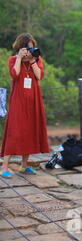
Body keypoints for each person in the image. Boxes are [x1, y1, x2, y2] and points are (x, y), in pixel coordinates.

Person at [1, 33, 49, 178]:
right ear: (21, 48)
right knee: (14, 132)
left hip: (33, 101)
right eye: (28, 48)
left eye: (32, 48)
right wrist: (19, 58)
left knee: (29, 130)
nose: (31, 51)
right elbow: (14, 75)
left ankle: (24, 165)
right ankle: (4, 167)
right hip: (18, 101)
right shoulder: (13, 60)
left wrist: (33, 61)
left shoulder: (36, 60)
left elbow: (39, 76)